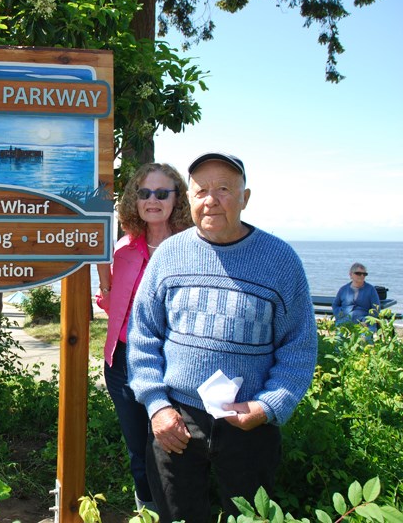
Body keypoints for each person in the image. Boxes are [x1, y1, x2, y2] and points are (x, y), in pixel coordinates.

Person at [126, 152, 318, 522]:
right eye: (200, 191)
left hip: (249, 423)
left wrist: (269, 406)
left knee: (249, 518)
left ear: (245, 198)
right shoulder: (169, 255)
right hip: (175, 422)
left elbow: (299, 346)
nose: (211, 200)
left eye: (224, 189)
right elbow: (143, 337)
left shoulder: (280, 260)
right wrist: (157, 406)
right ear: (190, 200)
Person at [95, 163, 193, 510]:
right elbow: (113, 306)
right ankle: (146, 512)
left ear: (177, 199)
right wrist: (101, 272)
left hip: (172, 363)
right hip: (121, 361)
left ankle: (174, 513)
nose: (153, 200)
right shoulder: (122, 249)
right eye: (144, 193)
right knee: (138, 450)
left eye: (162, 193)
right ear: (134, 199)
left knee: (168, 450)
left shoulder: (192, 249)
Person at [332, 262, 381, 327]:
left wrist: (367, 321)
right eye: (358, 273)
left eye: (364, 274)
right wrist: (340, 315)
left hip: (364, 321)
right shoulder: (343, 289)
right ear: (351, 274)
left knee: (365, 336)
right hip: (344, 320)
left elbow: (376, 308)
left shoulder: (371, 289)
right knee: (339, 336)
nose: (362, 276)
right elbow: (335, 305)